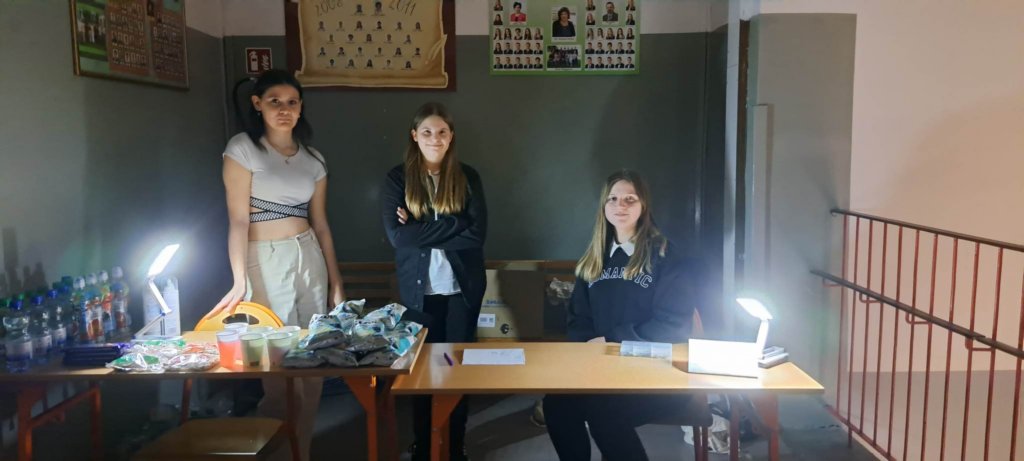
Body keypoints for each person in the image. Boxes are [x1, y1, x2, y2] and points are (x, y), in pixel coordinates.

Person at [206, 70, 344, 461]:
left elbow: (321, 223)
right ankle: (275, 452)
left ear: (301, 108)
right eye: (274, 102)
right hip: (264, 259)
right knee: (279, 370)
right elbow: (238, 220)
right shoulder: (243, 149)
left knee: (313, 362)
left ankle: (301, 451)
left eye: (292, 102)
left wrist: (336, 282)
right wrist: (239, 281)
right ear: (257, 104)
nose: (284, 110)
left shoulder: (313, 159)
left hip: (308, 255)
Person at [543, 170, 702, 461]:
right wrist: (590, 350)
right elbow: (578, 319)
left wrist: (610, 340)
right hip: (604, 371)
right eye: (613, 199)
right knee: (557, 405)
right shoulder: (594, 258)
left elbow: (672, 325)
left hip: (659, 375)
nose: (621, 206)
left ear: (644, 206)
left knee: (604, 412)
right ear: (603, 206)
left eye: (630, 199)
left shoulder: (666, 255)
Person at [381, 103, 487, 461]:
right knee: (423, 372)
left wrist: (420, 229)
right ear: (415, 136)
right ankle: (423, 444)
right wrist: (455, 224)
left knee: (455, 371)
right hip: (419, 295)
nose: (435, 138)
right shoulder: (398, 179)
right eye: (427, 132)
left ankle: (455, 444)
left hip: (461, 293)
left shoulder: (467, 177)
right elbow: (399, 238)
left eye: (442, 132)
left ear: (451, 136)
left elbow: (476, 235)